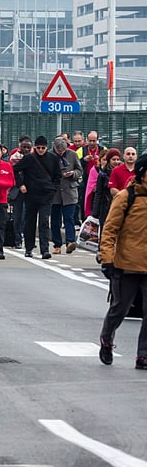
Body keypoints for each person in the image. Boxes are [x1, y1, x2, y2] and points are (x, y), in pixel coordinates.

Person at [98, 153, 147, 370]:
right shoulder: (126, 197)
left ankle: (143, 355)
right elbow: (109, 230)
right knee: (120, 308)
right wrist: (107, 260)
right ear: (143, 173)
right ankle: (107, 339)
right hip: (126, 264)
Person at [14, 136, 62, 259]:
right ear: (35, 147)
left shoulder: (53, 158)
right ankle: (29, 248)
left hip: (46, 194)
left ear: (47, 148)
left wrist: (53, 188)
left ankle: (44, 249)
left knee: (44, 222)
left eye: (43, 148)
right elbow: (15, 170)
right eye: (39, 148)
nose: (41, 150)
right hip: (31, 194)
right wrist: (21, 185)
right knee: (30, 222)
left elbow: (58, 175)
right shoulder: (29, 158)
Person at [50, 136, 83, 255]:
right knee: (55, 220)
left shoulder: (72, 154)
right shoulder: (49, 155)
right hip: (55, 192)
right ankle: (57, 244)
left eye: (63, 150)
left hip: (69, 191)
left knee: (69, 218)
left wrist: (73, 173)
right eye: (59, 151)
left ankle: (70, 242)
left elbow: (80, 170)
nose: (61, 152)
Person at [92, 149, 122, 237]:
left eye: (117, 159)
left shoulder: (122, 172)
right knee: (104, 229)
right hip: (105, 205)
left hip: (119, 204)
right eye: (113, 159)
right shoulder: (103, 174)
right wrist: (95, 211)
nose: (116, 162)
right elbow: (98, 193)